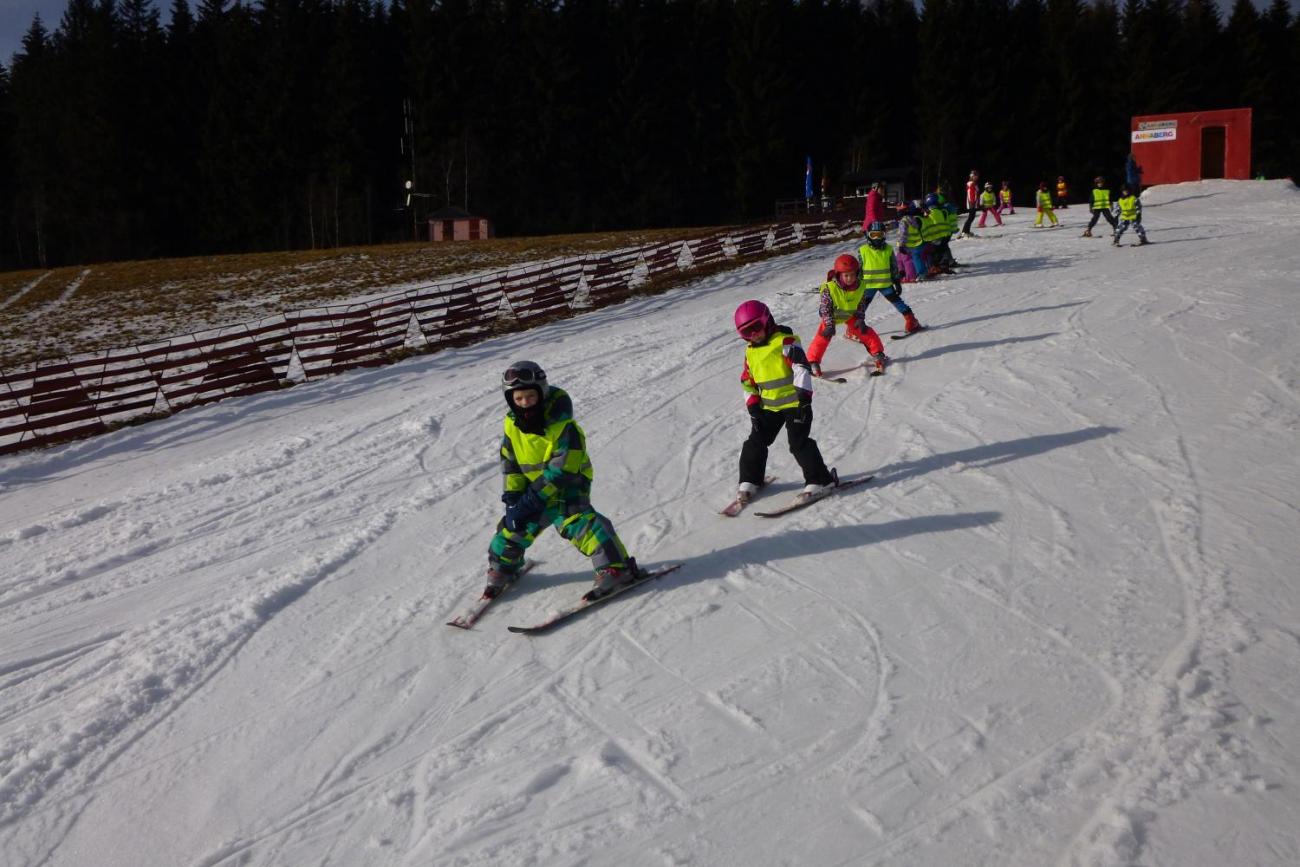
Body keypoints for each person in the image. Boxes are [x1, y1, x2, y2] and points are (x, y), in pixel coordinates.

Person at [486, 361, 637, 601]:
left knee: (577, 521)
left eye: (530, 396)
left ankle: (616, 568)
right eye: (519, 398)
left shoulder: (563, 426)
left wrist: (532, 498)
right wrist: (514, 497)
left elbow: (564, 470)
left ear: (542, 393)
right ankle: (503, 567)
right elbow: (510, 461)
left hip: (569, 483)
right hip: (534, 489)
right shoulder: (512, 426)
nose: (525, 403)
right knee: (512, 527)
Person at [733, 300, 836, 505]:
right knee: (755, 441)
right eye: (746, 332)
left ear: (767, 321)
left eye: (755, 328)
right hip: (769, 407)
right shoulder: (750, 352)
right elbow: (747, 380)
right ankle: (750, 480)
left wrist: (804, 400)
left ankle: (821, 480)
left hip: (796, 404)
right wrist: (753, 407)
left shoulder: (786, 342)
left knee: (798, 443)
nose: (753, 335)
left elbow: (800, 368)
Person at [960, 170, 980, 237]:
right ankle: (964, 232)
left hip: (974, 203)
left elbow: (976, 193)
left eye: (977, 176)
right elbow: (970, 194)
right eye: (975, 176)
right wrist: (972, 203)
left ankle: (967, 231)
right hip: (971, 204)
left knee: (971, 217)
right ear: (972, 176)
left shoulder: (974, 183)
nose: (976, 177)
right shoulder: (971, 183)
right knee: (970, 218)